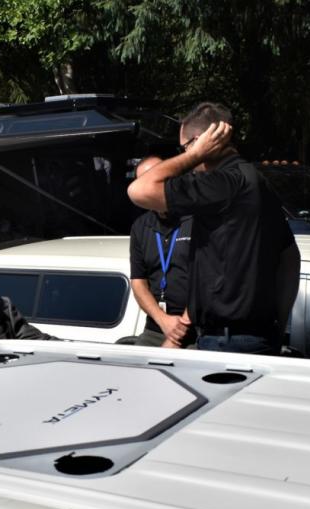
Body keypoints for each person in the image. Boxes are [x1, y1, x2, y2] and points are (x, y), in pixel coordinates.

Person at [127, 102, 300, 355]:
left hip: (227, 342)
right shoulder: (257, 180)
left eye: (184, 147)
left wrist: (194, 155)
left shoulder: (223, 183)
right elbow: (290, 257)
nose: (184, 154)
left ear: (203, 141)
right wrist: (279, 325)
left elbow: (139, 190)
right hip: (258, 336)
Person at [128, 157, 195, 348]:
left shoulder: (197, 219)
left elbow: (208, 280)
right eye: (145, 182)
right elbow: (139, 282)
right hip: (156, 328)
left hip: (195, 329)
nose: (152, 186)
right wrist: (163, 320)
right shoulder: (141, 226)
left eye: (158, 179)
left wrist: (180, 328)